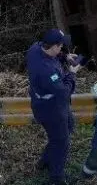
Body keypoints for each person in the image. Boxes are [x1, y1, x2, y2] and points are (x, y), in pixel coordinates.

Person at [26, 28, 81, 185]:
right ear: (54, 47)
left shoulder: (35, 49)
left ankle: (44, 162)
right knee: (62, 142)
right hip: (51, 109)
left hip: (48, 104)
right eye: (61, 47)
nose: (62, 48)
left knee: (67, 128)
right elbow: (64, 92)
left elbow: (54, 55)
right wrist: (72, 72)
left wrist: (65, 57)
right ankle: (57, 178)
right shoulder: (47, 71)